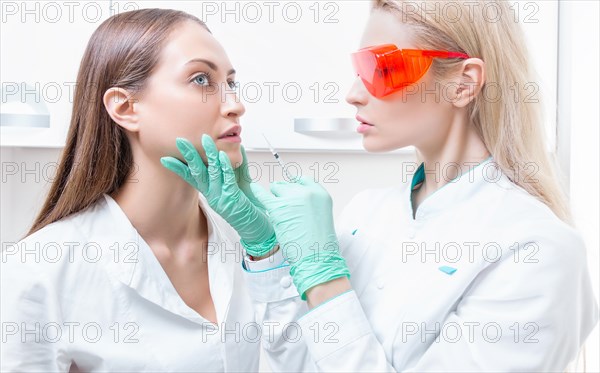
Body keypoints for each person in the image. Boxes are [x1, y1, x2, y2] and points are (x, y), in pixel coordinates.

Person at [171, 0, 599, 371]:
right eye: (360, 68)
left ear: (464, 82)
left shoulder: (537, 251)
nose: (354, 94)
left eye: (383, 68)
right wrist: (267, 249)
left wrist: (326, 280)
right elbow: (302, 363)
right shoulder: (366, 213)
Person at [1, 8, 312, 372]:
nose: (235, 105)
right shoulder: (41, 266)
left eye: (231, 82)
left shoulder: (248, 243)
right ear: (126, 107)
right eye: (200, 79)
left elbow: (304, 362)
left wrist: (266, 252)